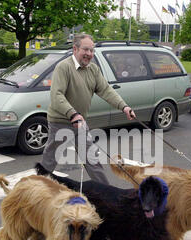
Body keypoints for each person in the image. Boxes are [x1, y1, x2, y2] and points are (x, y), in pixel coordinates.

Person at [41, 33, 135, 185]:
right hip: (60, 122)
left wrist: (123, 106)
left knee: (92, 159)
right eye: (86, 50)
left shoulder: (93, 70)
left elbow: (106, 90)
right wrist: (73, 114)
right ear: (75, 49)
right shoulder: (63, 68)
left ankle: (106, 194)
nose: (89, 54)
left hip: (80, 123)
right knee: (50, 159)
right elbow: (57, 95)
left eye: (92, 50)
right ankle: (35, 189)